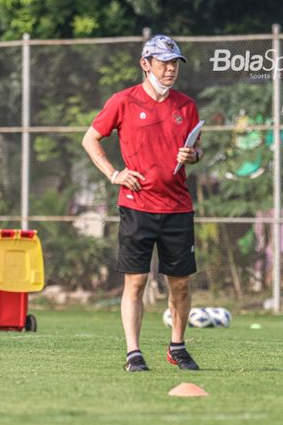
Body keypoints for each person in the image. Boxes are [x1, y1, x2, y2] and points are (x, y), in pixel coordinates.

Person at [82, 34, 203, 372]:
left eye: (175, 63)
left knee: (179, 283)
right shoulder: (123, 101)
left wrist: (193, 155)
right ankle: (133, 352)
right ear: (145, 63)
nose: (171, 69)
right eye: (164, 62)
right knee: (135, 282)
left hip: (178, 208)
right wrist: (113, 174)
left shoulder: (186, 106)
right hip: (137, 207)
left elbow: (196, 151)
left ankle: (177, 346)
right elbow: (90, 138)